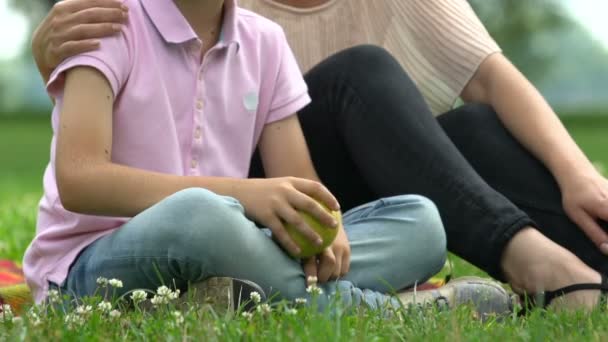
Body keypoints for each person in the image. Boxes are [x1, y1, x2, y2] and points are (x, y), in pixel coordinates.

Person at [31, 0, 608, 311]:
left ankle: (244, 294)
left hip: (235, 240)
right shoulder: (104, 19)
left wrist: (319, 230)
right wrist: (247, 197)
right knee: (202, 215)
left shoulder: (262, 41)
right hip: (99, 256)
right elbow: (79, 179)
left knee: (422, 220)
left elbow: (307, 194)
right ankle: (389, 312)